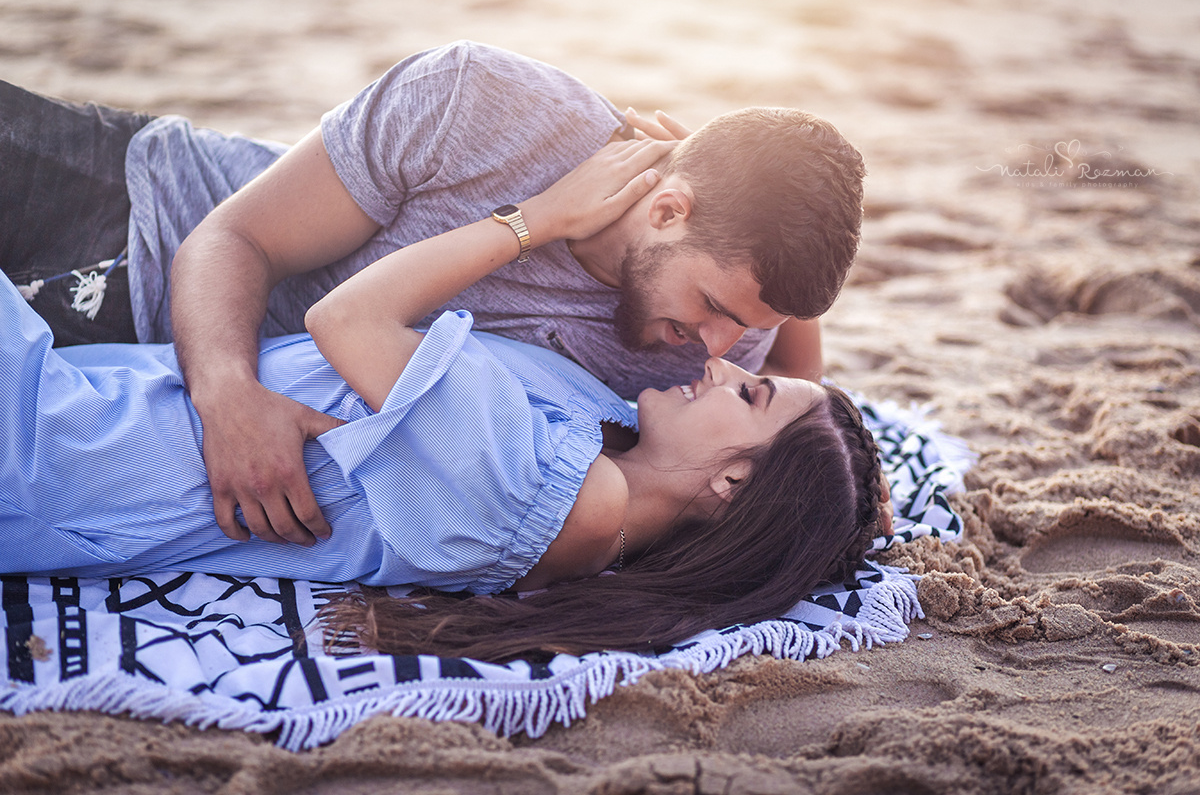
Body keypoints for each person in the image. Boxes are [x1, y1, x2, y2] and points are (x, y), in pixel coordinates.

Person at [1, 138, 884, 661]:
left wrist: (537, 217)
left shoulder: (552, 496)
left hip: (54, 443)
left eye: (753, 391)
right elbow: (797, 414)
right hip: (76, 408)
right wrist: (843, 491)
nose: (724, 362)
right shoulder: (600, 489)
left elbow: (348, 317)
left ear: (731, 489)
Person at [1, 42, 867, 548]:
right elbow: (232, 239)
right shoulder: (482, 104)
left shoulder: (723, 345)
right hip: (138, 223)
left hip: (119, 395)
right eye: (715, 307)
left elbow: (801, 430)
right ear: (669, 209)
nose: (715, 350)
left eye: (750, 332)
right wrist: (228, 396)